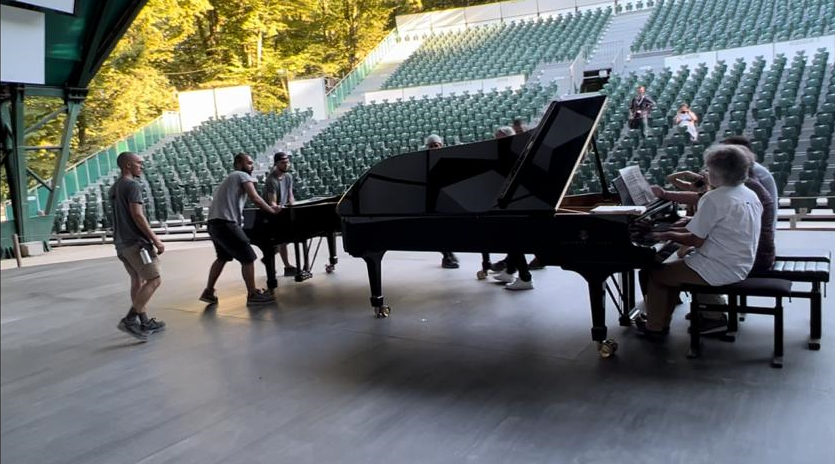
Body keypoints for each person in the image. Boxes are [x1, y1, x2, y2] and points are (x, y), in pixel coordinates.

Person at [637, 144, 762, 340]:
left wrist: (663, 235)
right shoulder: (747, 193)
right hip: (741, 261)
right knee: (670, 270)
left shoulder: (714, 198)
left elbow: (695, 239)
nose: (705, 173)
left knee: (657, 274)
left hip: (718, 267)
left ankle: (655, 328)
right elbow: (706, 229)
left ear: (719, 173)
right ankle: (661, 319)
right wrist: (669, 230)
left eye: (708, 169)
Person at [199, 153, 282, 306]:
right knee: (248, 258)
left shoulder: (230, 179)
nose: (252, 166)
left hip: (214, 224)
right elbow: (255, 197)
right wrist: (271, 211)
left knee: (222, 258)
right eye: (249, 163)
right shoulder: (241, 175)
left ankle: (208, 292)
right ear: (238, 164)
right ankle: (252, 294)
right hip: (226, 223)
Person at [109, 151, 166, 341]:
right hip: (136, 244)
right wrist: (156, 239)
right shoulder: (132, 185)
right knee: (154, 279)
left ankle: (144, 320)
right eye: (139, 163)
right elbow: (137, 215)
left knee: (137, 280)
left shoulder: (115, 187)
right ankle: (130, 319)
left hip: (121, 244)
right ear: (128, 166)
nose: (141, 166)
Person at [425, 134, 460, 269]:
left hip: (445, 200)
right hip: (433, 201)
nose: (434, 148)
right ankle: (447, 255)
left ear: (441, 145)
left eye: (436, 145)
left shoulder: (446, 160)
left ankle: (449, 253)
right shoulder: (425, 161)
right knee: (437, 230)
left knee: (447, 229)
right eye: (431, 146)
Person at [263, 151, 297, 276]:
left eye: (287, 162)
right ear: (276, 164)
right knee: (281, 240)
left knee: (284, 240)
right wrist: (275, 206)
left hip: (282, 211)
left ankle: (270, 257)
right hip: (271, 214)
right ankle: (286, 266)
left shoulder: (288, 176)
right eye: (283, 163)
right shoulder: (271, 180)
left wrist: (292, 204)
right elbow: (272, 201)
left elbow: (290, 195)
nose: (286, 165)